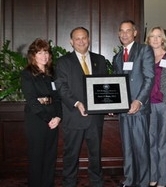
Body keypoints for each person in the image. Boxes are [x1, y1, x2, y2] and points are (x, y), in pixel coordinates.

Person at [54, 27, 107, 187]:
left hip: (95, 118)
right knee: (71, 154)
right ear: (71, 42)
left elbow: (104, 85)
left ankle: (97, 182)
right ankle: (69, 183)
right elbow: (61, 86)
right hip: (74, 116)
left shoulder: (100, 59)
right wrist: (77, 103)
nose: (81, 41)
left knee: (95, 154)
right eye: (77, 39)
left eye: (84, 37)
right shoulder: (63, 62)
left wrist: (109, 102)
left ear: (89, 39)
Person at [113, 20, 155, 187]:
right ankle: (129, 180)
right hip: (123, 110)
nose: (124, 34)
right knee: (128, 148)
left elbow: (149, 78)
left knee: (141, 148)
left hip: (139, 109)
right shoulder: (117, 57)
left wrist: (138, 101)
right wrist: (113, 103)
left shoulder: (144, 50)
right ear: (118, 34)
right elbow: (116, 83)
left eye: (128, 30)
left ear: (135, 33)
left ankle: (143, 183)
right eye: (121, 31)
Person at [21, 38, 62, 187]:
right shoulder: (27, 74)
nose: (44, 56)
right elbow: (31, 100)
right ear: (33, 55)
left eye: (46, 52)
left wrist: (58, 117)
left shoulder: (52, 73)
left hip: (53, 118)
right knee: (37, 156)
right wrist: (47, 119)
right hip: (36, 119)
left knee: (50, 156)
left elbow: (57, 97)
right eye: (40, 52)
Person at [145, 26, 166, 187]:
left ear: (163, 39)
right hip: (148, 106)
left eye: (159, 36)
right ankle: (153, 176)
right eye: (153, 36)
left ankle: (164, 179)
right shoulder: (145, 57)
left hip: (165, 105)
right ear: (148, 39)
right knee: (150, 143)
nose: (156, 39)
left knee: (164, 144)